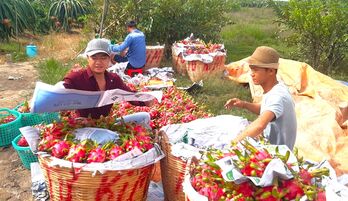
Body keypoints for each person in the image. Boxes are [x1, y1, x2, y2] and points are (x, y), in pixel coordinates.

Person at [63, 38, 151, 127]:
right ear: (87, 58)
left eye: (103, 57)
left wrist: (147, 99)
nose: (99, 62)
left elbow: (130, 95)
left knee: (144, 116)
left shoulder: (113, 79)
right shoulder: (76, 77)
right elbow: (58, 94)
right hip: (83, 127)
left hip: (104, 124)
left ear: (109, 58)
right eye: (94, 57)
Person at [224, 46, 297, 150]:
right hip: (270, 146)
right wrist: (244, 104)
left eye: (256, 70)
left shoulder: (277, 96)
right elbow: (266, 108)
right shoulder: (277, 87)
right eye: (251, 70)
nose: (251, 74)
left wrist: (232, 145)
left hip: (276, 155)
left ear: (271, 71)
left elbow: (260, 125)